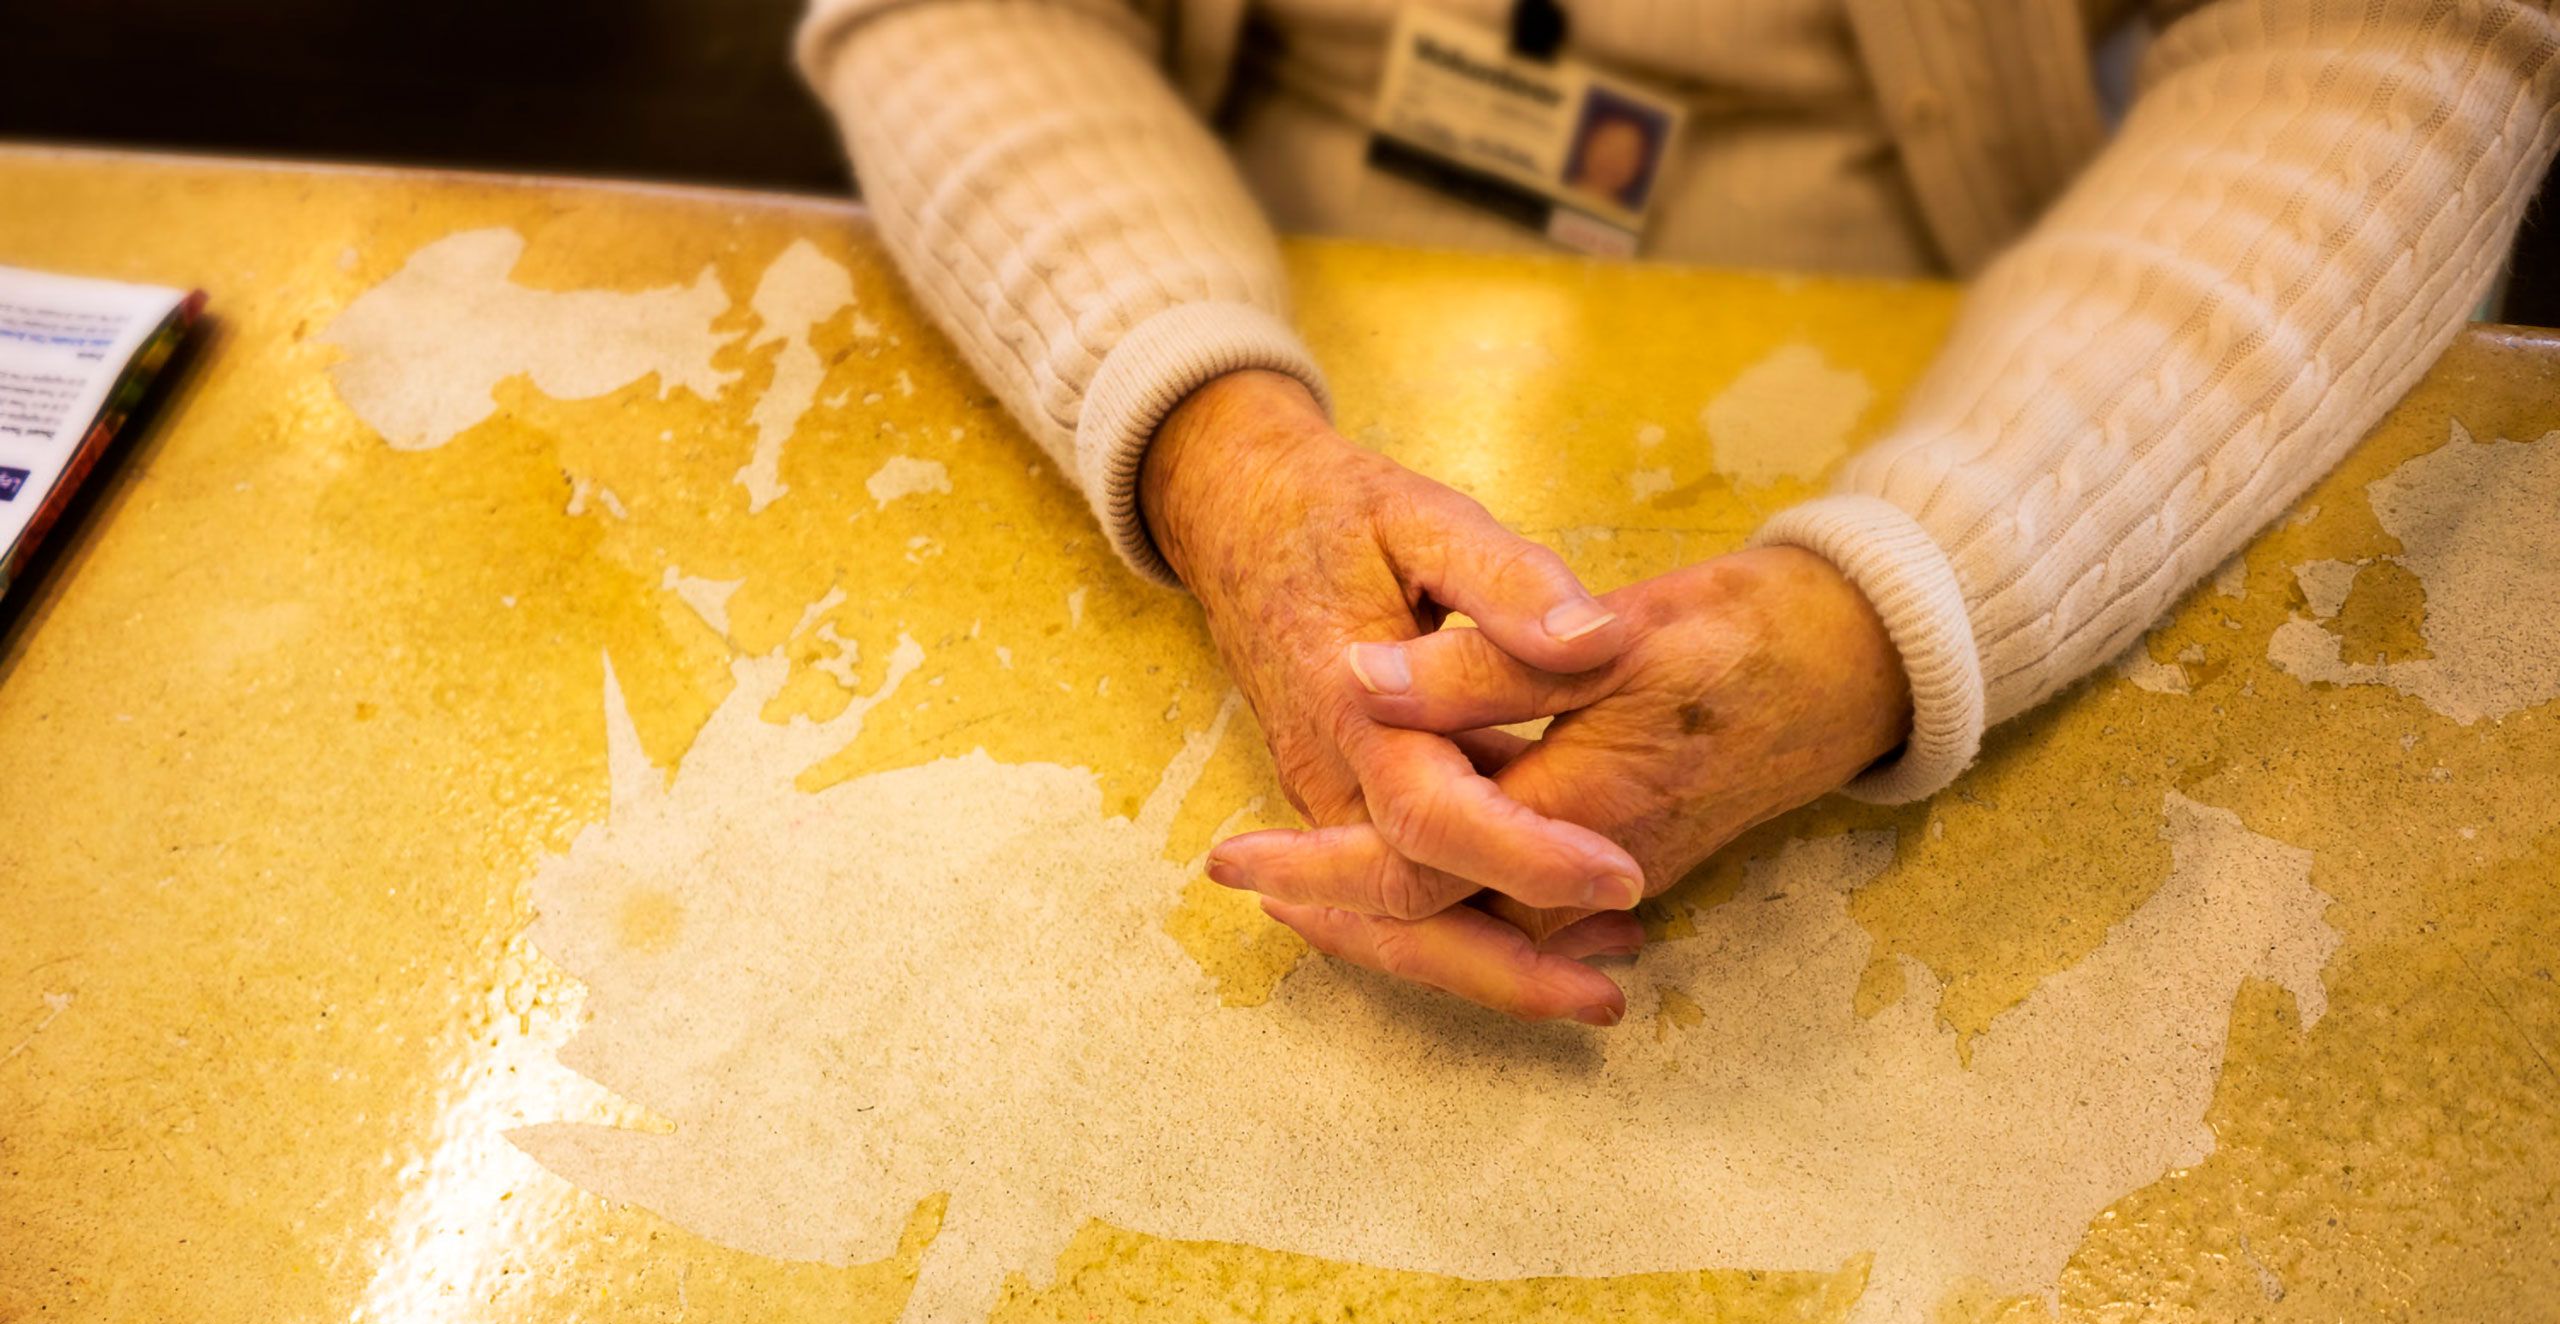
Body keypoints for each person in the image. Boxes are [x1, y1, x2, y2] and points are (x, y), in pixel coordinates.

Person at [794, 0, 2560, 1025]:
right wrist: (1209, 448)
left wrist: (1896, 611)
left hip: (2011, 357)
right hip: (1187, 254)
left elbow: (2401, 37)